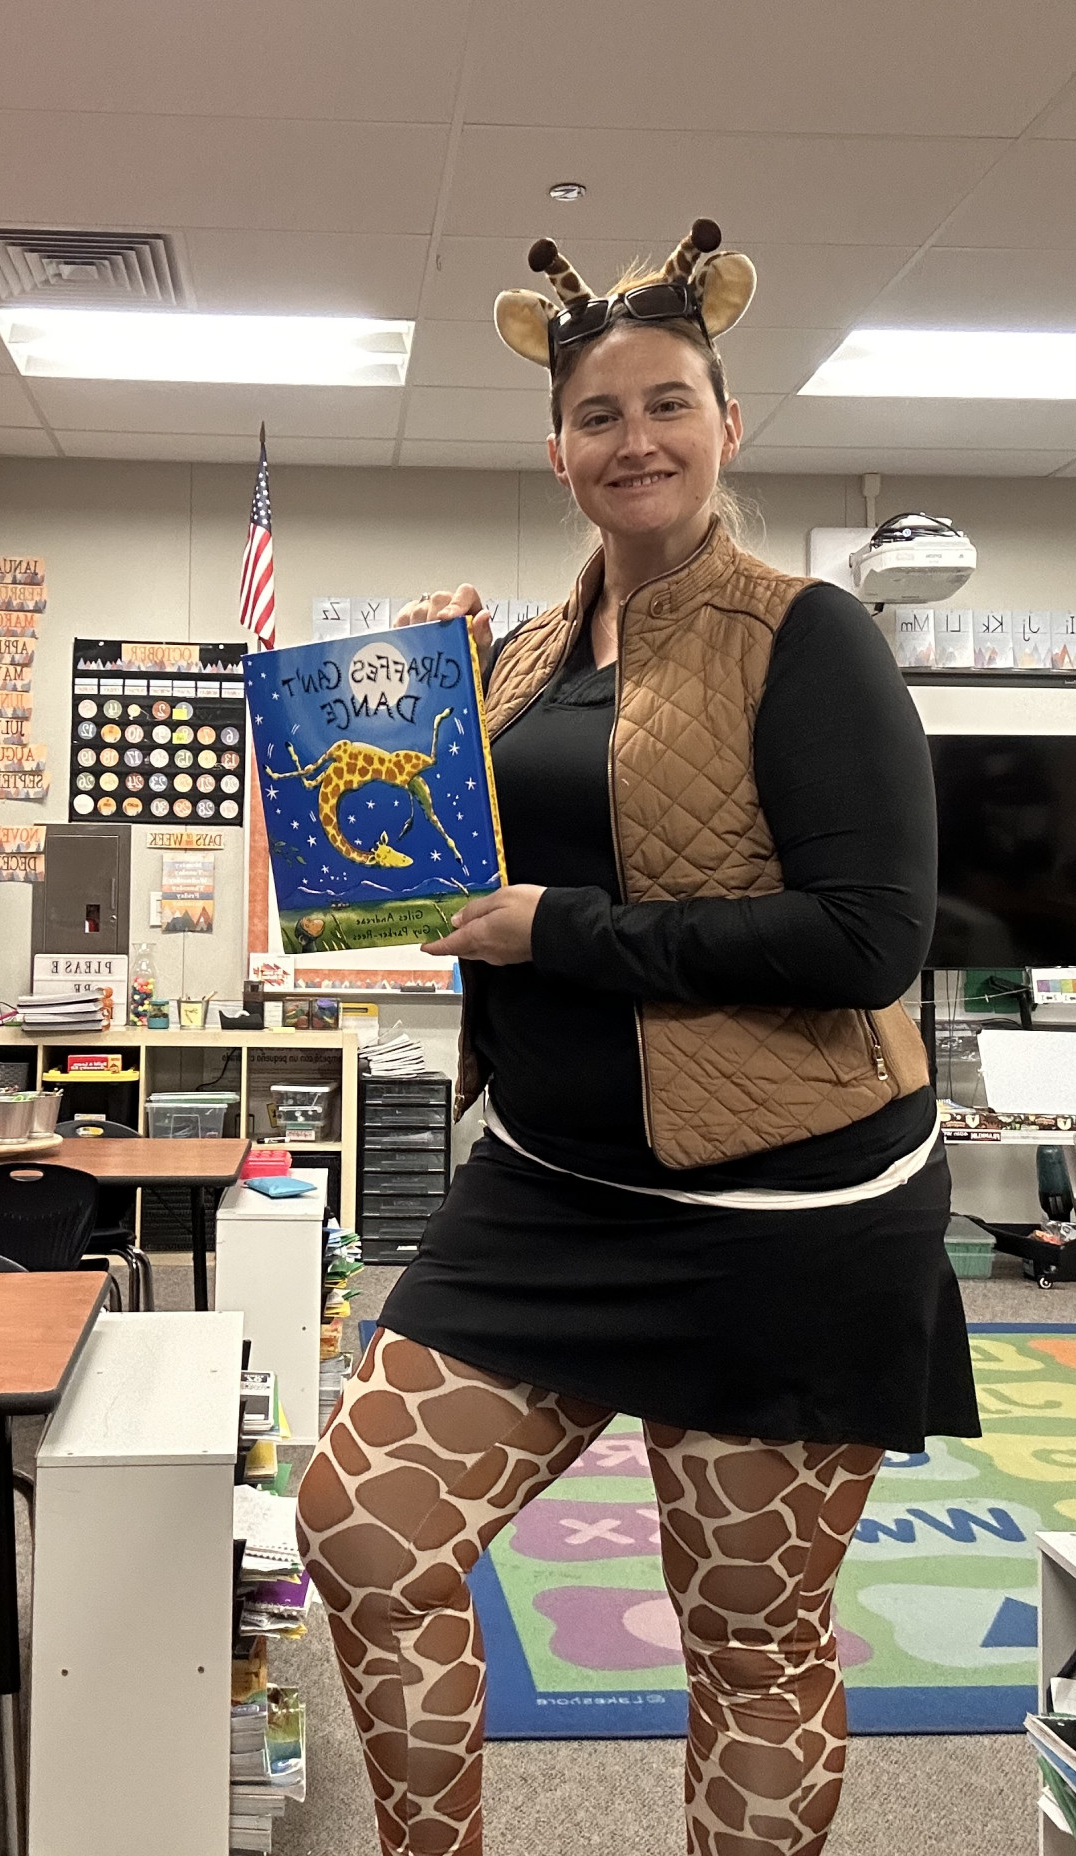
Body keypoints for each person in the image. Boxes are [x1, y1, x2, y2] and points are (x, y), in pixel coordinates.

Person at [297, 220, 979, 1856]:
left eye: (670, 403)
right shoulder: (530, 653)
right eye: (598, 415)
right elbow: (443, 863)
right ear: (558, 452)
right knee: (365, 1532)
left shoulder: (807, 635)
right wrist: (408, 699)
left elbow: (868, 941)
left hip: (785, 1218)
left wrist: (563, 931)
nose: (637, 440)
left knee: (747, 1638)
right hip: (547, 1189)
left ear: (727, 424)